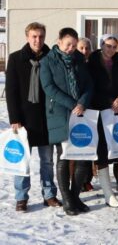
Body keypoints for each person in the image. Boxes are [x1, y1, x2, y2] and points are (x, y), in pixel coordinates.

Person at [4, 22, 60, 212]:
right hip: (25, 120)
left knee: (47, 161)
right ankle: (21, 197)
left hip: (47, 118)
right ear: (27, 37)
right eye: (34, 36)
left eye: (41, 36)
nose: (38, 40)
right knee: (23, 160)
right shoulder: (15, 59)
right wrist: (14, 119)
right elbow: (11, 91)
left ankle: (49, 194)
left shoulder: (52, 57)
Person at [40, 27, 94, 216]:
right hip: (60, 114)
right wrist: (73, 104)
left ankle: (75, 196)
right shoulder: (48, 61)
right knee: (64, 157)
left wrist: (83, 102)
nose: (71, 48)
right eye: (68, 44)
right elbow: (48, 87)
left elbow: (89, 84)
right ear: (59, 42)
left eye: (74, 44)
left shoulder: (79, 60)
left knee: (82, 157)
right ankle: (67, 200)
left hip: (81, 113)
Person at [87, 34, 118, 207]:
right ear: (101, 45)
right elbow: (90, 89)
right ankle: (108, 194)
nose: (111, 49)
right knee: (103, 154)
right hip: (101, 113)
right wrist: (109, 102)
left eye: (114, 46)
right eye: (108, 46)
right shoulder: (92, 63)